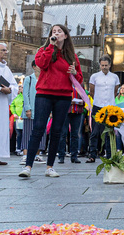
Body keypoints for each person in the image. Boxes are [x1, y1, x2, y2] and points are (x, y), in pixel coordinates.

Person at [19, 25, 83, 178]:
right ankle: (28, 166)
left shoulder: (71, 56)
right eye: (53, 31)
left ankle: (50, 167)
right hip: (44, 94)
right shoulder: (43, 50)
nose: (56, 33)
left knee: (57, 131)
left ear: (66, 36)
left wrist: (75, 73)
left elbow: (79, 80)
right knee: (38, 129)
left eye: (59, 31)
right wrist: (51, 47)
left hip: (63, 96)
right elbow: (41, 64)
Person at [88, 55, 120, 162]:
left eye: (106, 65)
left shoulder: (115, 77)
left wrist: (109, 100)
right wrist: (99, 100)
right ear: (100, 65)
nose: (104, 67)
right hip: (98, 106)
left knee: (109, 132)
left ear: (110, 65)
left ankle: (110, 155)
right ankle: (92, 154)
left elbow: (115, 92)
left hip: (110, 107)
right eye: (102, 65)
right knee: (95, 132)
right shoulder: (94, 76)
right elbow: (92, 92)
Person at [20, 61, 45, 166]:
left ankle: (37, 154)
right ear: (34, 67)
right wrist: (28, 109)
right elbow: (25, 94)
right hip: (30, 110)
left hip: (42, 109)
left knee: (41, 133)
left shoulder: (45, 78)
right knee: (28, 133)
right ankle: (25, 155)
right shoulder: (28, 79)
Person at [58, 81, 88, 165]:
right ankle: (61, 156)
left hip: (77, 111)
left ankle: (74, 156)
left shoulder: (80, 83)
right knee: (63, 134)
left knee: (75, 134)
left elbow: (84, 96)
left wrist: (82, 102)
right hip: (65, 111)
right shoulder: (63, 81)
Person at [10, 84, 24, 155]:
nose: (20, 89)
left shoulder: (26, 97)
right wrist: (14, 113)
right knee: (19, 134)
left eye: (22, 88)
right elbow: (12, 106)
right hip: (17, 119)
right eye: (20, 88)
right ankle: (18, 148)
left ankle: (24, 148)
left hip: (25, 118)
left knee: (25, 134)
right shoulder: (17, 97)